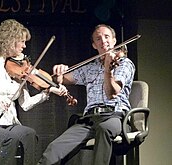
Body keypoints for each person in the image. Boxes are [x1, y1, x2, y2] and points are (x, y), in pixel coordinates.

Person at [0, 19, 68, 165]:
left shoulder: (18, 70)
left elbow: (25, 104)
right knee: (9, 139)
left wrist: (47, 92)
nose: (25, 46)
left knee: (30, 134)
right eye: (22, 41)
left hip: (7, 123)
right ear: (10, 40)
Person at [37, 24, 135, 165]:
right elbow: (61, 79)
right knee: (54, 149)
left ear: (114, 40)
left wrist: (108, 70)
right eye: (98, 39)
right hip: (89, 119)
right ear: (94, 45)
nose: (103, 41)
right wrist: (59, 73)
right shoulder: (91, 67)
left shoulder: (124, 64)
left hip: (115, 116)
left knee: (104, 129)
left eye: (106, 37)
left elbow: (111, 93)